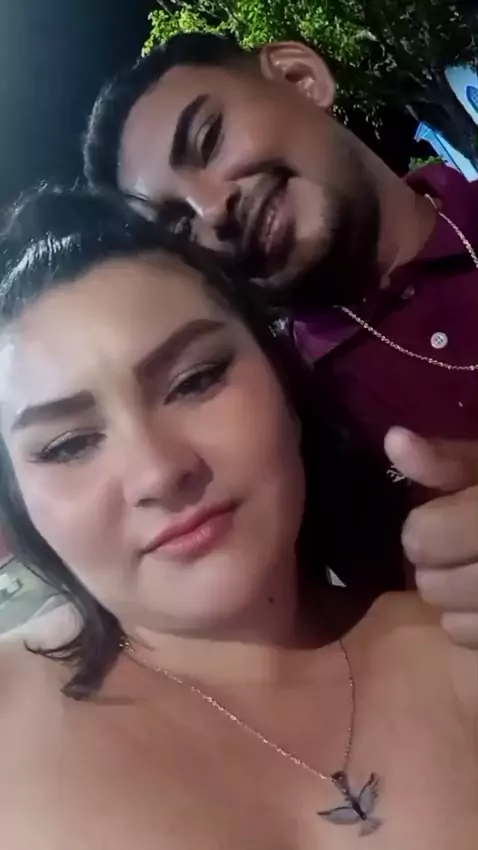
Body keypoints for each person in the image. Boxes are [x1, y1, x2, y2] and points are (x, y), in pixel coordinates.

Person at [0, 186, 476, 849]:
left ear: (284, 383)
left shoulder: (455, 645)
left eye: (195, 380)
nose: (159, 472)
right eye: (68, 445)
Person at [82, 32, 478, 647]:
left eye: (208, 140)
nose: (212, 211)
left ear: (299, 78)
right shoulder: (279, 428)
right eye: (179, 226)